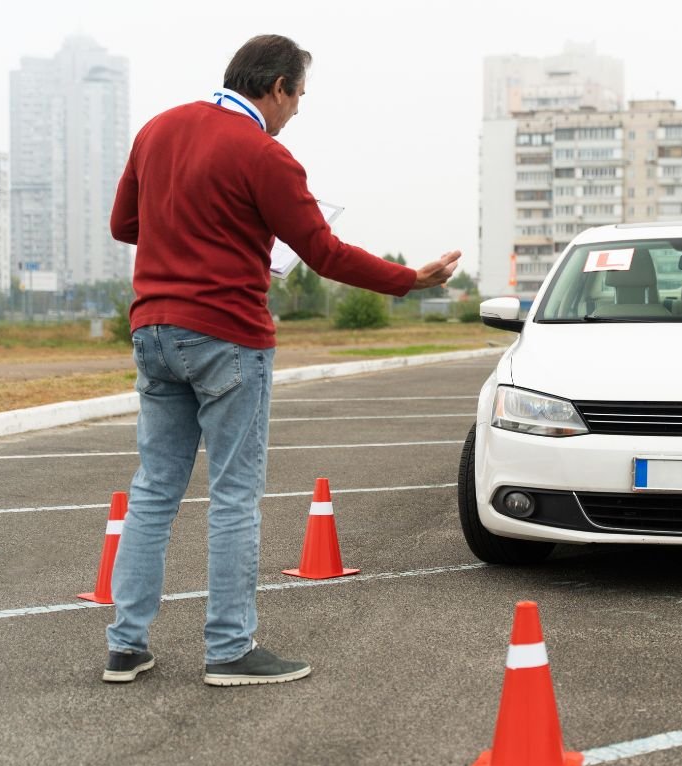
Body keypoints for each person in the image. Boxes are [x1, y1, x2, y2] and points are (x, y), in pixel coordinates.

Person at [102, 34, 458, 687]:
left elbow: (125, 225)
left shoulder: (157, 130)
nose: (296, 111)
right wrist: (411, 279)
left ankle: (125, 646)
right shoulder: (265, 154)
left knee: (155, 490)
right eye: (298, 97)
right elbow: (324, 252)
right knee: (234, 494)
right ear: (276, 87)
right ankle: (230, 650)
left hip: (153, 330)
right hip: (226, 336)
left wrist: (191, 229)